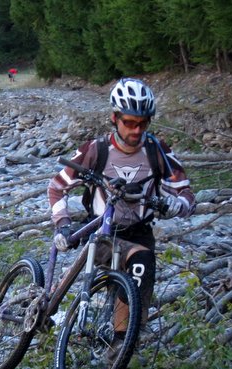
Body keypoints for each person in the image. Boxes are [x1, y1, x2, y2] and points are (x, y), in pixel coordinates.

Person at [47, 77, 195, 352]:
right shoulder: (96, 150)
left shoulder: (157, 150)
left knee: (141, 262)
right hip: (99, 228)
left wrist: (177, 205)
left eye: (143, 123)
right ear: (114, 118)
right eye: (129, 122)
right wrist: (63, 223)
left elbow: (186, 194)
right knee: (83, 271)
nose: (136, 130)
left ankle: (121, 346)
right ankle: (48, 304)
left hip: (138, 233)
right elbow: (57, 187)